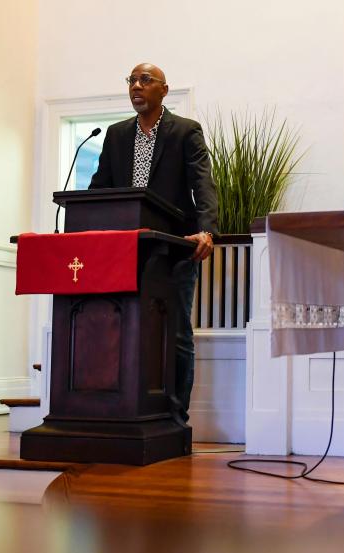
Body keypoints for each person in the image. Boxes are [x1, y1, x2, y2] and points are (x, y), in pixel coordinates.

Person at [89, 62, 218, 423]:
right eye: (131, 80)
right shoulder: (115, 135)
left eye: (145, 80)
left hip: (174, 248)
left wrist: (207, 230)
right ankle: (126, 413)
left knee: (175, 334)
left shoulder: (185, 132)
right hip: (126, 250)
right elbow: (100, 189)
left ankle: (175, 420)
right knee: (125, 329)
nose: (136, 86)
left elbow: (203, 183)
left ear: (164, 89)